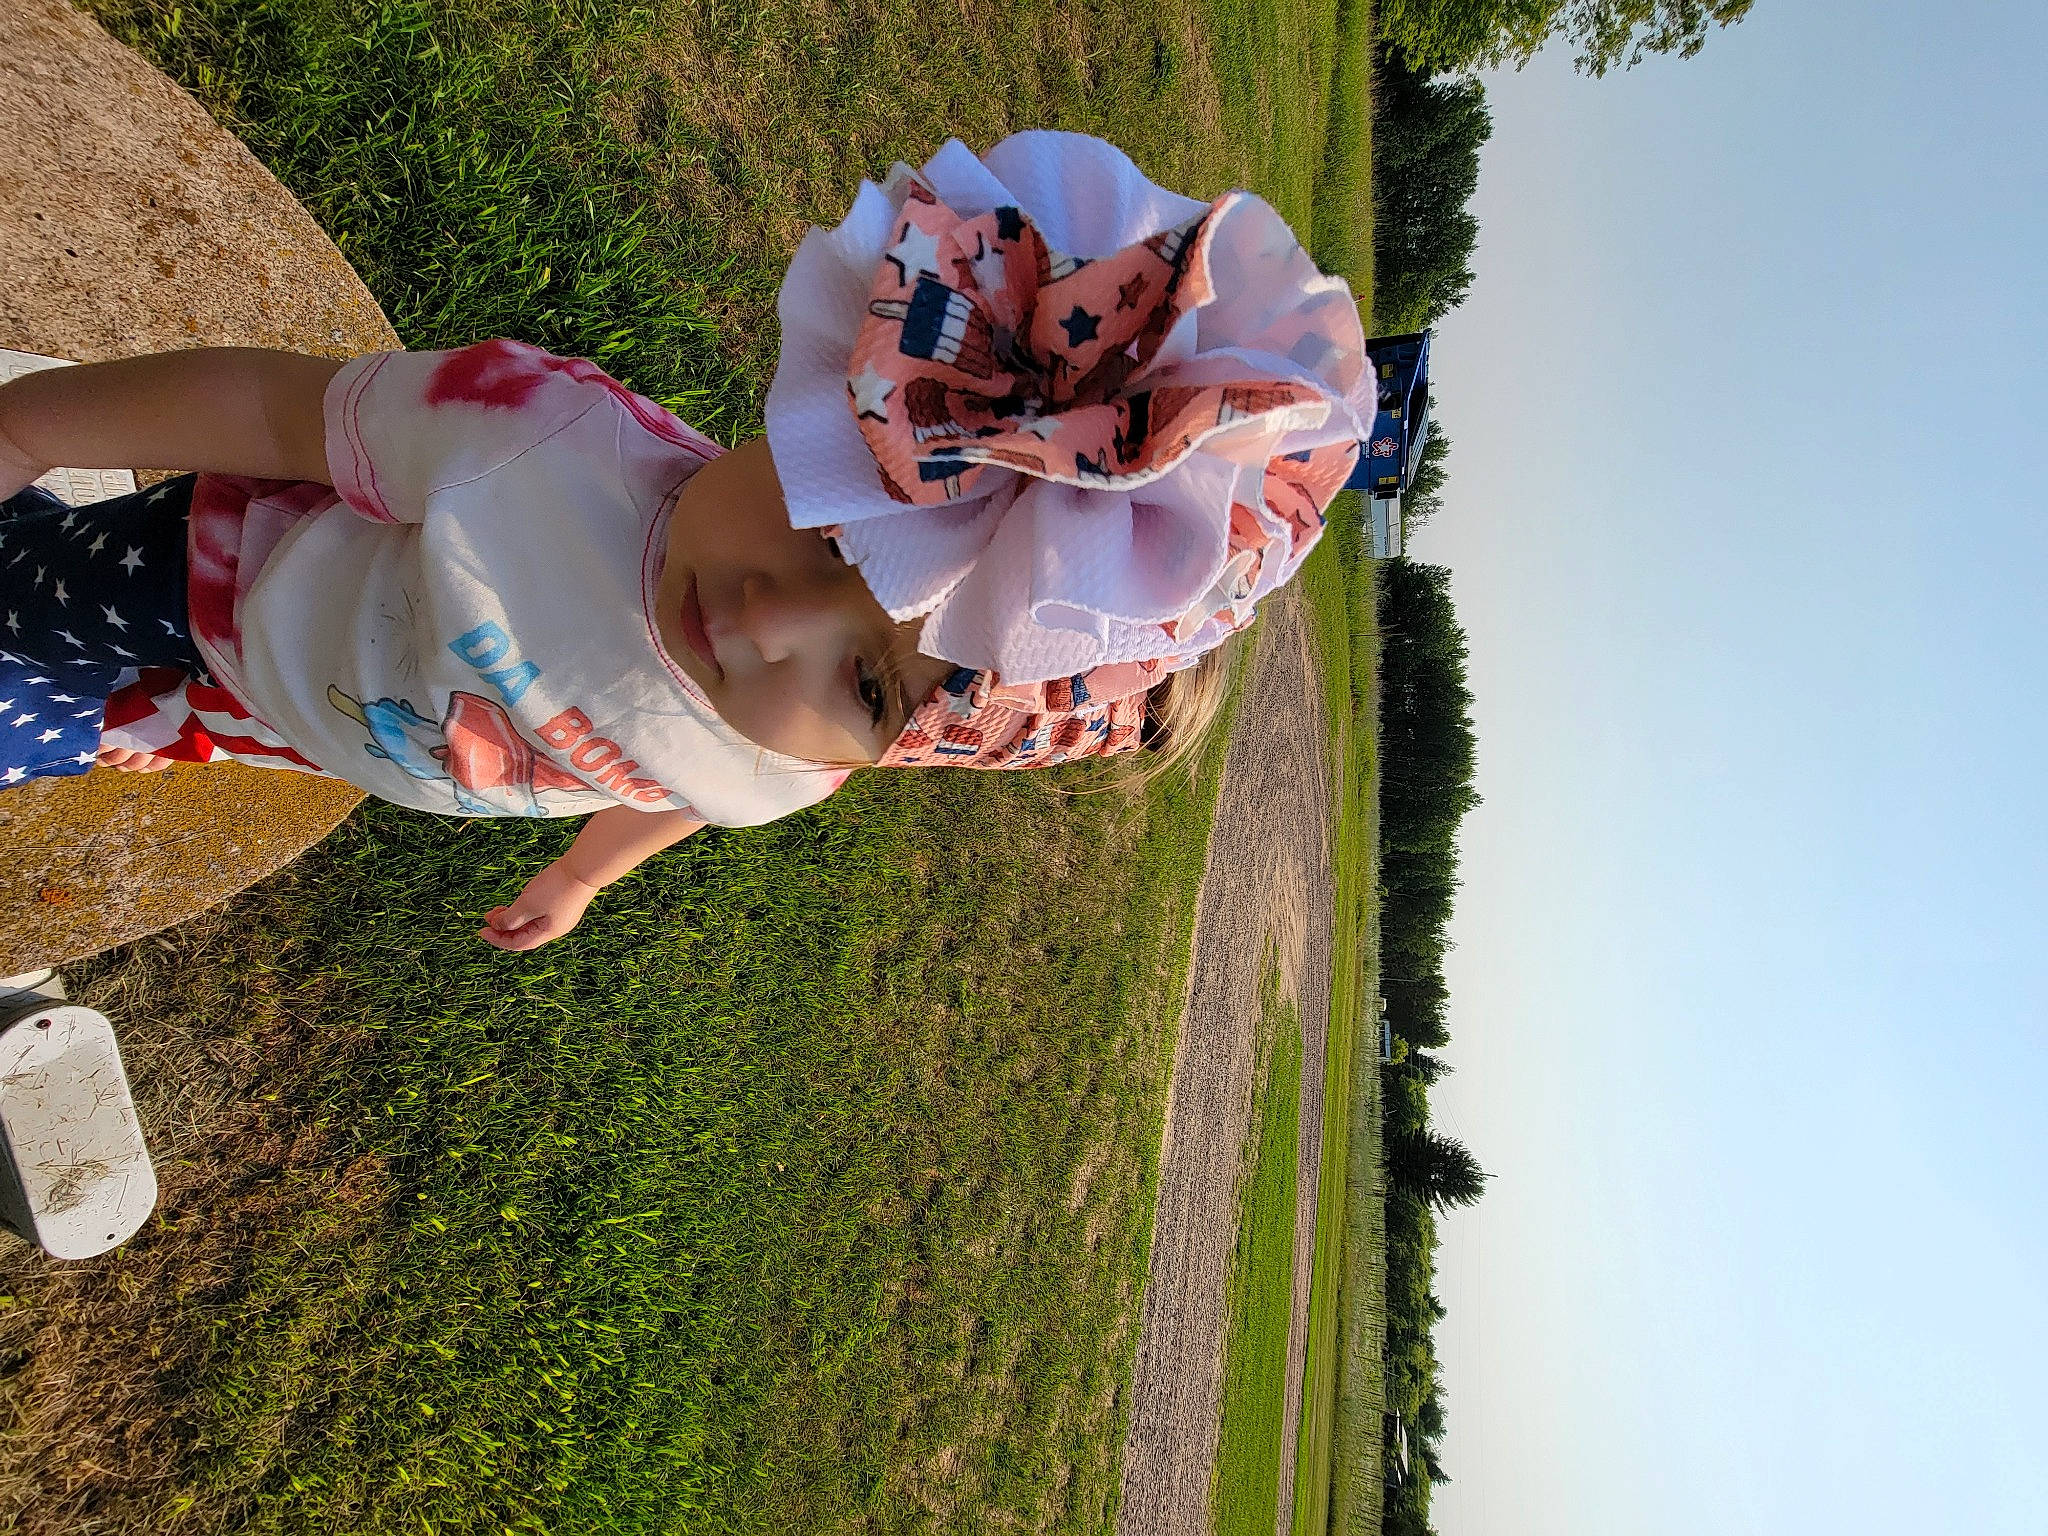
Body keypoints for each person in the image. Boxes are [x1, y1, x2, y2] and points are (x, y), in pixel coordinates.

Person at [0, 131, 1371, 951]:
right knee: (24, 610)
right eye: (843, 538)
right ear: (834, 424)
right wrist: (30, 424)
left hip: (284, 709)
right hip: (203, 584)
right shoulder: (535, 438)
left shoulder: (795, 760)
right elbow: (276, 408)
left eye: (870, 683)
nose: (769, 625)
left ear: (888, 745)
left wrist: (584, 871)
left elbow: (686, 781)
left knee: (111, 724)